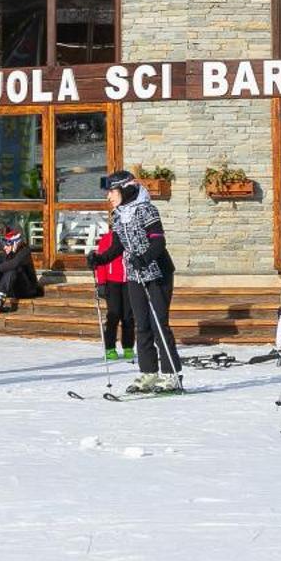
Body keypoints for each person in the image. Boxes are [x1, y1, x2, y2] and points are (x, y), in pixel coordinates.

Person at [87, 169, 180, 394]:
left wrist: (144, 258)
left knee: (159, 324)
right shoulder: (119, 214)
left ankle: (171, 375)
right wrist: (99, 259)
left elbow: (159, 242)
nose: (108, 197)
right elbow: (118, 246)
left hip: (158, 273)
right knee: (142, 325)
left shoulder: (146, 209)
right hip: (135, 275)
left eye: (111, 191)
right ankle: (148, 373)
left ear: (125, 189)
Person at [91, 226, 133, 361]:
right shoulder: (106, 239)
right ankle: (110, 348)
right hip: (111, 281)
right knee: (114, 314)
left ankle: (128, 346)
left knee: (128, 316)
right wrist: (101, 283)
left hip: (129, 281)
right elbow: (101, 263)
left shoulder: (130, 236)